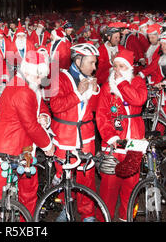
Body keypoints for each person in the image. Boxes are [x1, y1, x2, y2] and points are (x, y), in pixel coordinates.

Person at [0, 50, 55, 222]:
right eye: (39, 75)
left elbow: (39, 107)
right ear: (28, 70)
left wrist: (45, 117)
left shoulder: (24, 84)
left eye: (42, 75)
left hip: (19, 149)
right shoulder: (23, 90)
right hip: (11, 151)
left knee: (25, 192)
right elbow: (31, 126)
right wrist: (48, 145)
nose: (41, 80)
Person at [49, 43, 100, 222]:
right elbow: (55, 106)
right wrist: (78, 94)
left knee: (87, 176)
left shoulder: (91, 78)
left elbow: (92, 110)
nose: (95, 68)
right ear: (78, 60)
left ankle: (88, 215)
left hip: (86, 135)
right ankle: (66, 208)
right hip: (64, 134)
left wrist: (93, 93)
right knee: (64, 175)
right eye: (91, 63)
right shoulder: (59, 78)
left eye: (96, 63)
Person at [96, 49, 148, 222]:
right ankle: (104, 219)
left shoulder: (138, 82)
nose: (117, 70)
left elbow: (138, 100)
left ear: (130, 67)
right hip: (114, 144)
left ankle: (126, 219)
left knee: (131, 189)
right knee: (108, 189)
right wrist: (111, 137)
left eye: (122, 66)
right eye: (115, 66)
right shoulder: (106, 87)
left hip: (135, 142)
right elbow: (101, 116)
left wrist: (121, 84)